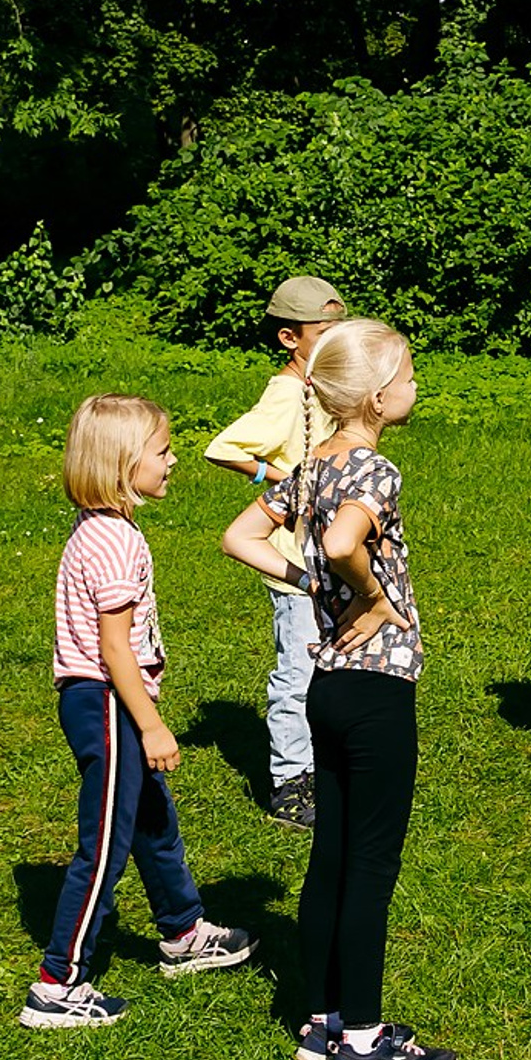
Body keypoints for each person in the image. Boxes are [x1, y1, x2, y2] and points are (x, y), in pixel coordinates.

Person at [223, 318, 456, 1060]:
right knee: (372, 864)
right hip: (376, 686)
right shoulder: (371, 469)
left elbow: (240, 537)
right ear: (378, 398)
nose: (415, 385)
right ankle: (362, 1043)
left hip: (327, 687)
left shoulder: (311, 465)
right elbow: (343, 542)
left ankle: (322, 1023)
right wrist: (369, 594)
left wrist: (308, 587)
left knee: (331, 853)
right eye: (409, 375)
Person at [22, 395, 257, 1027]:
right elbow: (114, 647)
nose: (173, 460)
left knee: (152, 818)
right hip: (107, 701)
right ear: (123, 465)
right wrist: (150, 725)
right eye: (162, 451)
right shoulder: (115, 542)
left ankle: (183, 932)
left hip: (104, 700)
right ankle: (58, 983)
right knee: (104, 845)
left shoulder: (100, 528)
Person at [203, 274, 348, 829]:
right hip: (293, 562)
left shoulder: (321, 385)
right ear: (290, 338)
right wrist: (279, 478)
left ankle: (325, 766)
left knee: (329, 666)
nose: (334, 340)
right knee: (298, 674)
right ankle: (291, 784)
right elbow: (223, 447)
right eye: (323, 332)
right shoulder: (286, 393)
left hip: (330, 554)